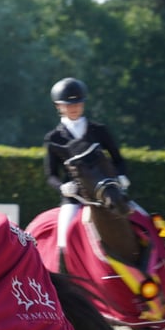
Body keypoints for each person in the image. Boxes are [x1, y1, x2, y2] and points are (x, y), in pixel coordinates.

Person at [43, 77, 132, 269]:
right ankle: (65, 277)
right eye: (68, 104)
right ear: (58, 106)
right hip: (75, 198)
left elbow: (118, 159)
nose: (74, 107)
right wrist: (63, 187)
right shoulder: (54, 138)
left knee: (142, 219)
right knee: (63, 239)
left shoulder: (99, 131)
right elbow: (50, 175)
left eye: (78, 103)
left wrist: (121, 176)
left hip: (107, 193)